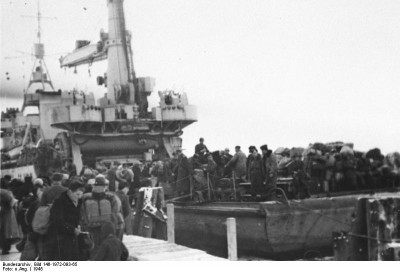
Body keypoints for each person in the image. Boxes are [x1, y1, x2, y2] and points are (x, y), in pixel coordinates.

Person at [81, 175, 124, 259]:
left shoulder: (85, 197)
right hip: (106, 229)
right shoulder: (112, 197)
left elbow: (82, 215)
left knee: (94, 253)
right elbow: (117, 214)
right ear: (105, 186)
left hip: (92, 230)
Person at [50, 181, 85, 261]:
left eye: (81, 194)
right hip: (61, 237)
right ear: (70, 192)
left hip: (74, 236)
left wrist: (79, 225)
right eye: (77, 194)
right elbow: (57, 220)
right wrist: (72, 229)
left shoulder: (79, 201)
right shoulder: (59, 202)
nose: (79, 197)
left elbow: (78, 216)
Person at [1, 188, 22, 255]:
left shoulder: (4, 194)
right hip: (9, 215)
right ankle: (6, 249)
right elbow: (14, 205)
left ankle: (5, 249)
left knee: (3, 233)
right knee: (7, 233)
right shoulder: (8, 194)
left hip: (4, 216)